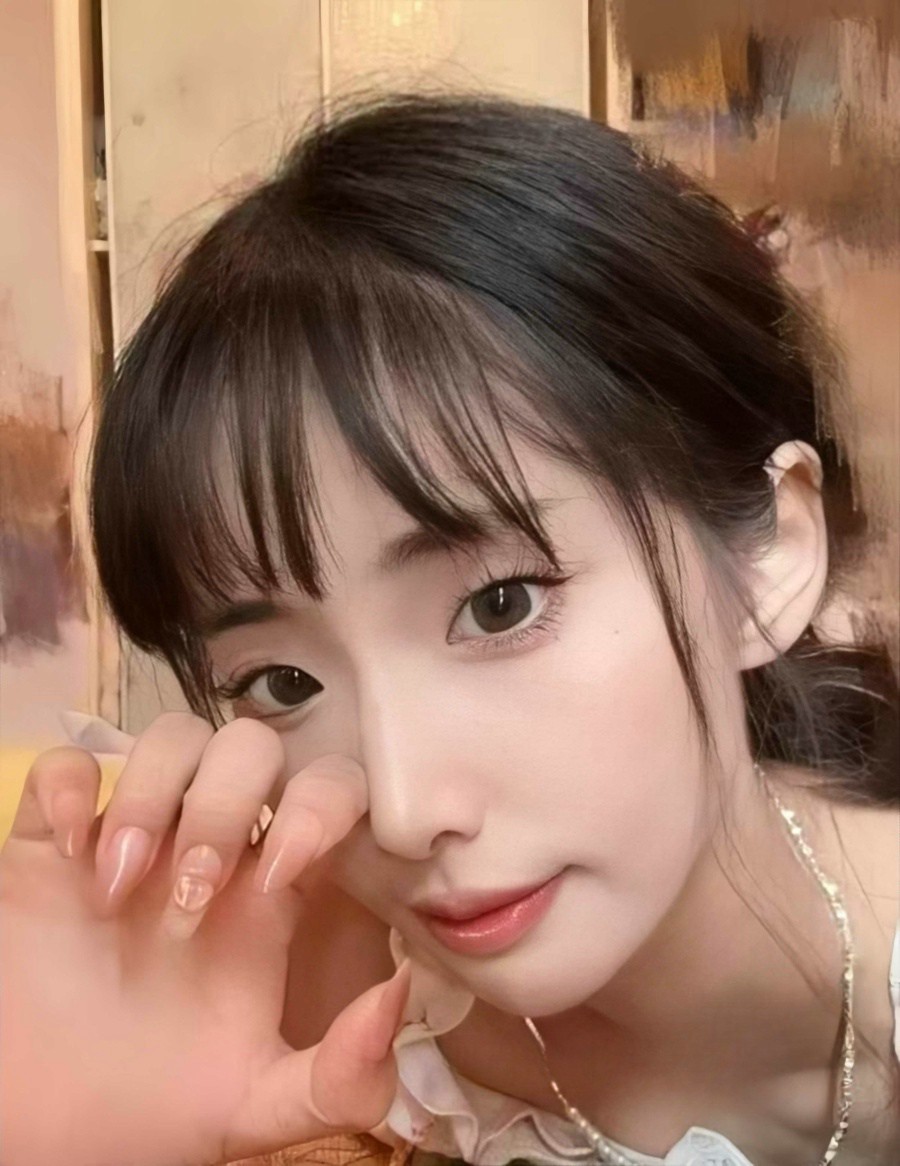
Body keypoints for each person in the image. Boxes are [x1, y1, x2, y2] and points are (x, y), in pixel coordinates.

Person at [1, 93, 898, 1166]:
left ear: (767, 557)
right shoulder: (317, 1008)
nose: (406, 809)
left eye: (500, 604)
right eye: (282, 682)